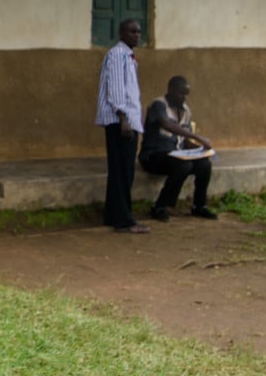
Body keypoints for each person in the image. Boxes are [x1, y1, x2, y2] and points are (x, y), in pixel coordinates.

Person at [94, 17, 147, 233]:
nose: (137, 35)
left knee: (121, 170)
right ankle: (123, 220)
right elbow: (115, 88)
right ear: (122, 33)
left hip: (127, 120)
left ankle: (113, 215)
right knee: (123, 171)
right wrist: (123, 118)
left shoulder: (128, 57)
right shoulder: (117, 55)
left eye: (139, 32)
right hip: (120, 121)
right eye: (132, 31)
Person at [142, 74, 219, 223]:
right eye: (181, 93)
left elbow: (184, 141)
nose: (184, 97)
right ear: (170, 90)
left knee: (204, 164)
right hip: (154, 156)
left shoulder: (186, 111)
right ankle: (160, 206)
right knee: (183, 165)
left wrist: (200, 148)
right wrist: (198, 137)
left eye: (186, 94)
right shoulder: (158, 105)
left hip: (176, 155)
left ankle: (199, 205)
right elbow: (167, 125)